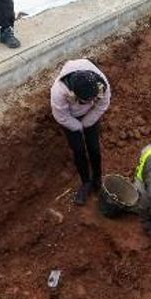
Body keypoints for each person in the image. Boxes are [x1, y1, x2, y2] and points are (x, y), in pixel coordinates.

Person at [50, 59, 111, 205]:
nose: (91, 101)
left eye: (93, 98)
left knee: (94, 148)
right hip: (69, 117)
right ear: (74, 94)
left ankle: (97, 179)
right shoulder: (59, 91)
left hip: (90, 115)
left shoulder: (101, 83)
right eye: (86, 100)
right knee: (78, 150)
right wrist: (77, 127)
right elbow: (61, 116)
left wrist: (86, 123)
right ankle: (86, 183)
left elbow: (102, 105)